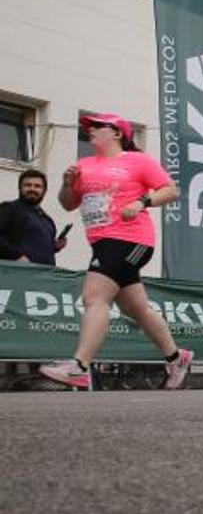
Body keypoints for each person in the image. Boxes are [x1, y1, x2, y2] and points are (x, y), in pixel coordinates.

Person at [39, 113, 193, 390]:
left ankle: (79, 367)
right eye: (89, 127)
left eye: (98, 126)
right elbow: (68, 204)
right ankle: (176, 356)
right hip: (101, 242)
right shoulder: (83, 165)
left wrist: (142, 201)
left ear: (117, 133)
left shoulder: (138, 161)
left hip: (131, 239)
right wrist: (66, 184)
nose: (91, 130)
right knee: (136, 308)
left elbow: (171, 190)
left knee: (93, 296)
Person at [0, 169, 67, 265]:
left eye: (37, 186)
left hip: (45, 275)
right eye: (28, 185)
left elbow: (36, 247)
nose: (32, 189)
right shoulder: (9, 209)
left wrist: (54, 247)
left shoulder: (47, 220)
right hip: (16, 273)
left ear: (44, 191)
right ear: (20, 188)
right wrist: (16, 256)